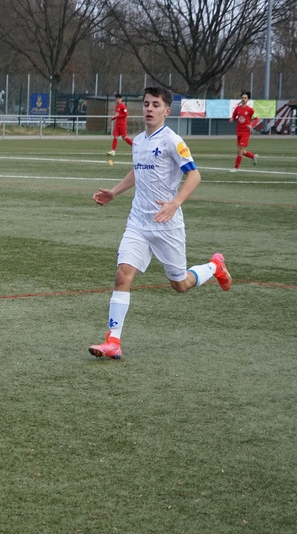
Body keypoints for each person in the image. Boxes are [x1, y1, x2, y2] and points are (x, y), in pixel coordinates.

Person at [87, 86, 231, 361]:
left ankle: (215, 266)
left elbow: (195, 175)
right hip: (138, 222)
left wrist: (175, 203)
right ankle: (113, 341)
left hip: (167, 225)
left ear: (167, 110)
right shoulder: (139, 141)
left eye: (155, 105)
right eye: (146, 104)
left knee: (180, 284)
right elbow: (138, 171)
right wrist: (115, 192)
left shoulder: (173, 141)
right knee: (122, 275)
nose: (149, 109)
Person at [230, 91, 257, 172]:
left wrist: (251, 125)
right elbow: (234, 116)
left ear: (248, 99)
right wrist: (232, 119)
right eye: (242, 98)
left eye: (245, 98)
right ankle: (253, 156)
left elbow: (256, 119)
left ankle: (235, 168)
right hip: (239, 131)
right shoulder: (237, 108)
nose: (244, 99)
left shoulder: (250, 110)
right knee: (240, 150)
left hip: (245, 132)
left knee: (240, 150)